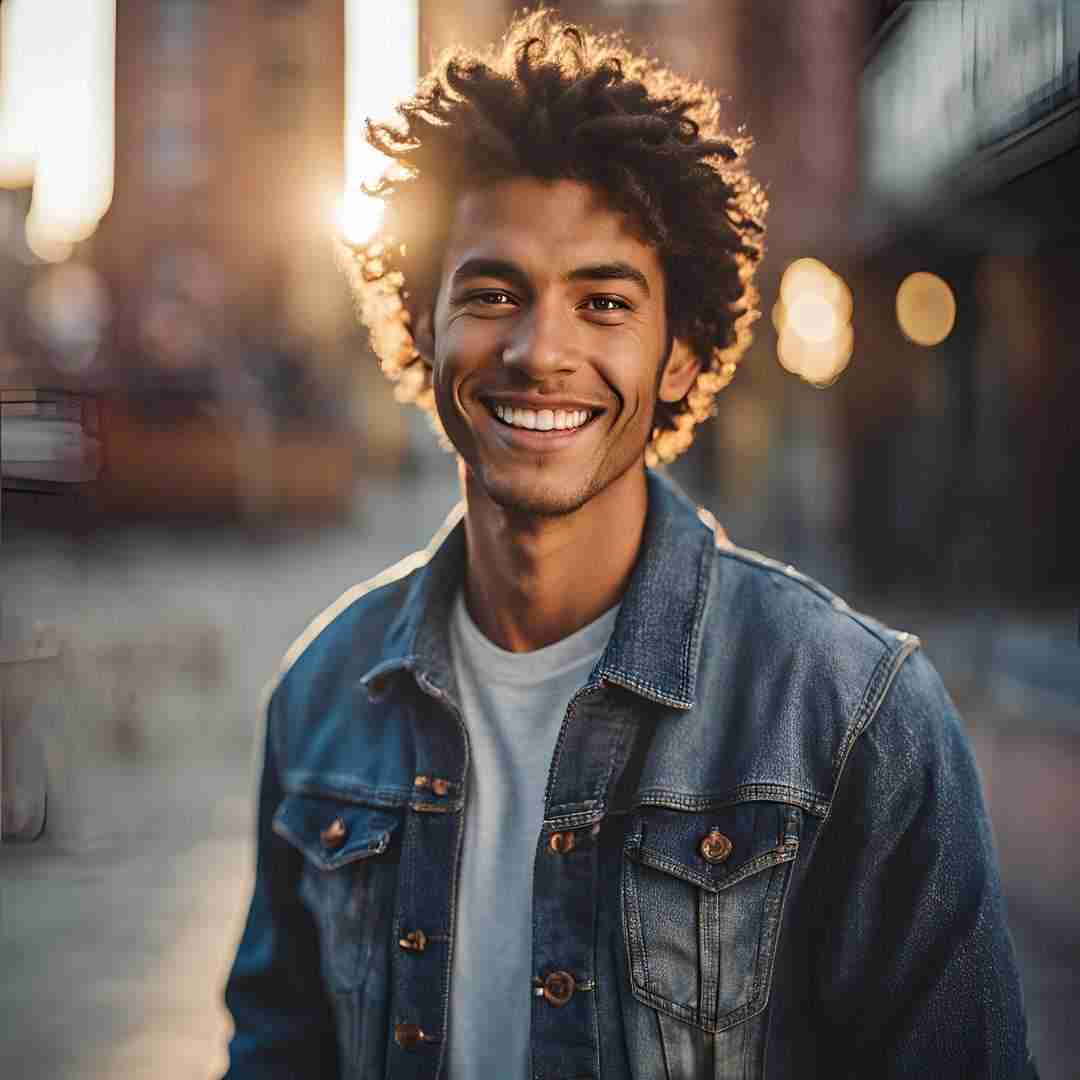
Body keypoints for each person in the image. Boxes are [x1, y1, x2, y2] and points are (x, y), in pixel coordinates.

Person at [222, 11, 1036, 1078]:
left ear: (684, 355)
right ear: (422, 323)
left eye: (603, 301)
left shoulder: (851, 716)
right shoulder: (324, 697)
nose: (537, 349)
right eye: (493, 292)